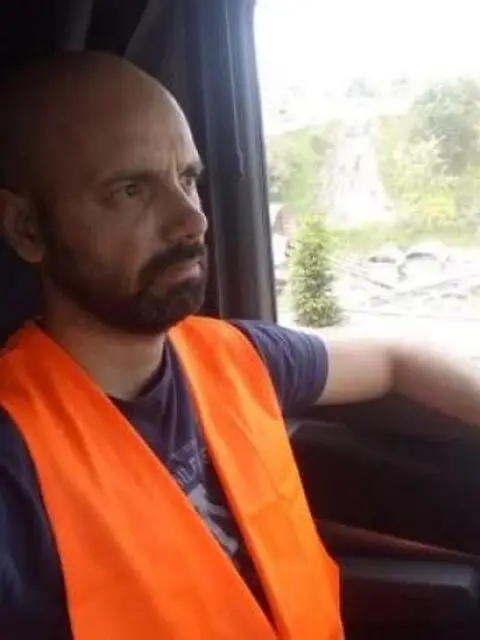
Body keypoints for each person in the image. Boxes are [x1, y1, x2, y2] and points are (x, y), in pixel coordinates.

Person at [0, 52, 479, 640]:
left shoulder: (233, 357)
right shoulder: (14, 457)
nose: (191, 220)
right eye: (130, 190)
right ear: (27, 228)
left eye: (187, 179)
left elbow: (393, 357)